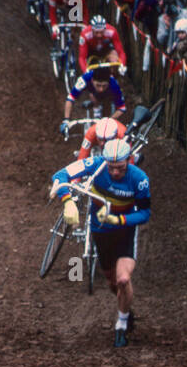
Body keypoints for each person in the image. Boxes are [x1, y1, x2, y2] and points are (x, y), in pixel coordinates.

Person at [49, 138, 151, 347]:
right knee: (113, 284)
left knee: (123, 280)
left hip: (124, 233)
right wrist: (67, 201)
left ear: (129, 161)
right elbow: (61, 175)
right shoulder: (95, 165)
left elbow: (145, 213)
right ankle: (126, 309)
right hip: (100, 231)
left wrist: (119, 219)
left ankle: (121, 326)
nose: (115, 173)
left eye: (120, 168)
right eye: (111, 168)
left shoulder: (139, 179)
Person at [63, 64, 125, 129]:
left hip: (108, 95)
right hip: (93, 93)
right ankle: (97, 111)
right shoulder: (84, 79)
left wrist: (108, 121)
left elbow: (121, 108)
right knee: (93, 96)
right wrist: (66, 120)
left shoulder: (114, 84)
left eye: (104, 85)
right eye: (98, 85)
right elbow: (70, 98)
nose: (101, 89)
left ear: (108, 83)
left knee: (107, 107)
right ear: (92, 80)